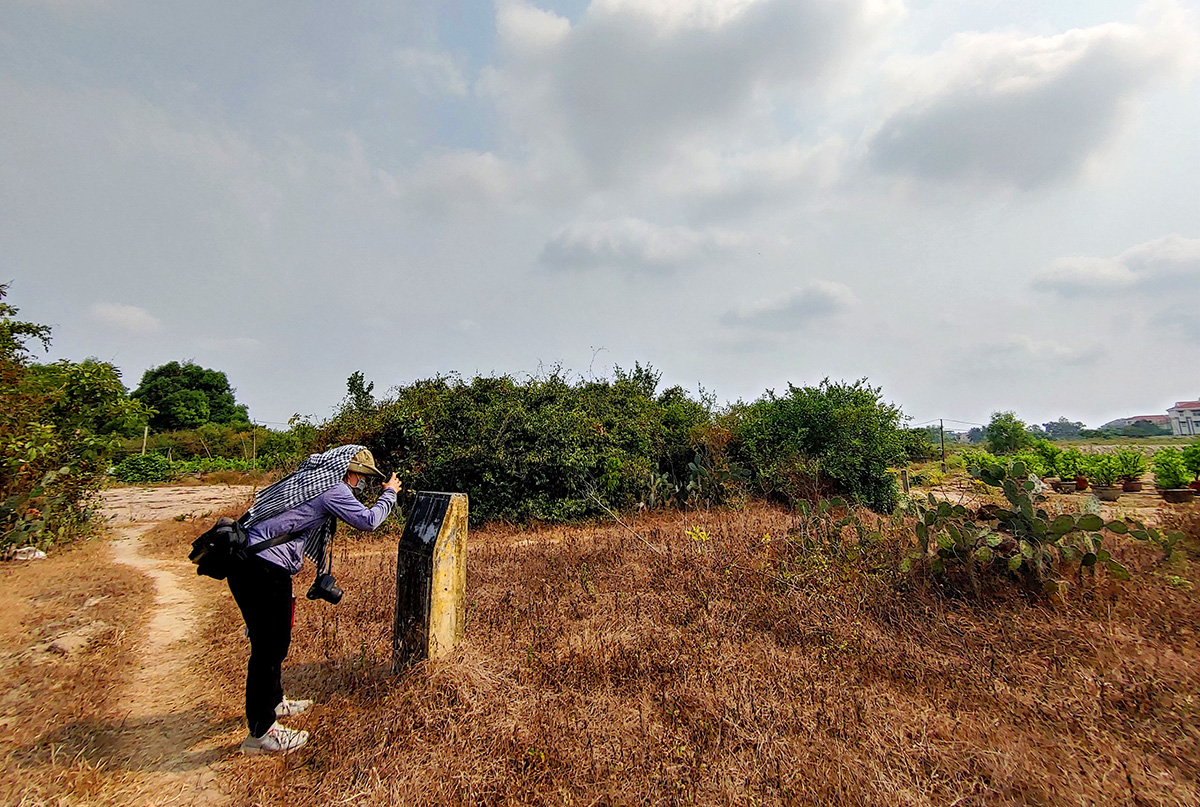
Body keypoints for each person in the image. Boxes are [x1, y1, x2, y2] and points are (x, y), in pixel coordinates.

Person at [228, 444, 401, 756]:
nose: (359, 483)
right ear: (348, 473)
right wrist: (389, 493)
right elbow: (369, 521)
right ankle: (261, 733)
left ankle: (275, 701)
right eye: (359, 477)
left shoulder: (308, 481)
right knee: (268, 650)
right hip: (263, 568)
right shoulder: (332, 489)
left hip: (248, 563)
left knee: (274, 643)